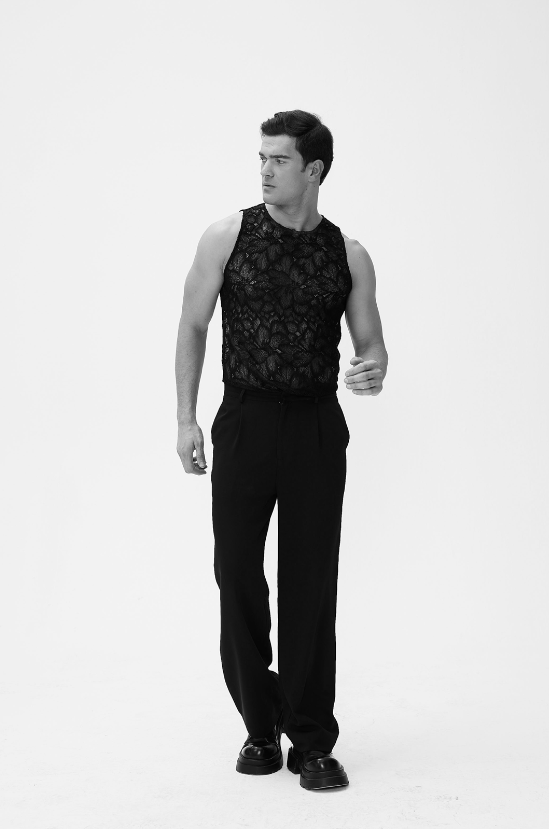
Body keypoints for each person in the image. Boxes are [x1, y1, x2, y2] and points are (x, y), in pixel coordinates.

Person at [175, 109, 388, 790]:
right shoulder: (227, 235)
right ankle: (259, 725)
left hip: (316, 426)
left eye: (279, 160)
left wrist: (373, 369)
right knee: (236, 571)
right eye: (261, 158)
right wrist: (186, 419)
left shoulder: (348, 254)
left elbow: (371, 344)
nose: (264, 171)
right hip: (244, 418)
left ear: (314, 169)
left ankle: (312, 738)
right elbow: (192, 324)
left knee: (310, 582)